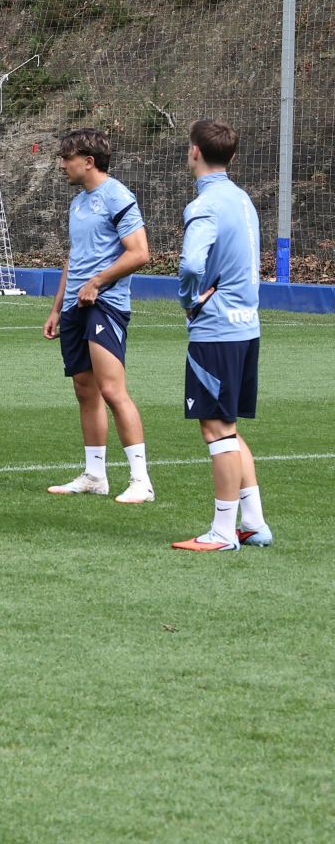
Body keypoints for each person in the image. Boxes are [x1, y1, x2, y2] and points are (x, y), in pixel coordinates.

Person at [172, 119, 272, 552]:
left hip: (217, 330)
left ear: (194, 151)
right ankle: (253, 524)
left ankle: (223, 531)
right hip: (246, 325)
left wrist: (189, 299)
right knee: (227, 426)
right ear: (231, 157)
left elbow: (193, 265)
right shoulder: (243, 199)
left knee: (216, 430)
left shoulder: (206, 205)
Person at [42, 128, 153, 502]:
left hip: (105, 305)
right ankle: (95, 475)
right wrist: (57, 307)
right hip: (75, 307)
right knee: (84, 391)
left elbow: (139, 252)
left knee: (111, 390)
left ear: (88, 161)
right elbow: (74, 258)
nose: (61, 165)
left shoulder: (118, 196)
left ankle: (141, 481)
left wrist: (97, 283)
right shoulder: (78, 203)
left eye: (67, 157)